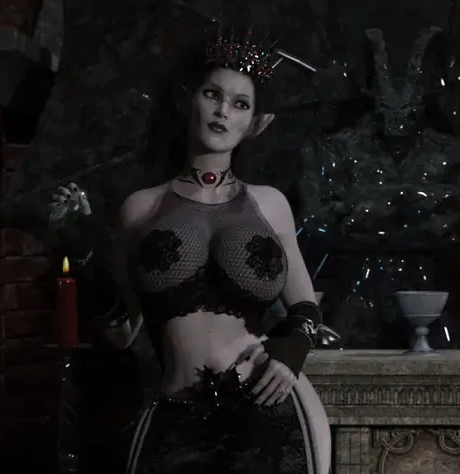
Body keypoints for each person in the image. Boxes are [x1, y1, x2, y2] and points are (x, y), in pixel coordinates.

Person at [49, 26, 336, 474]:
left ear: (257, 124)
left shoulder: (270, 205)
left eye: (240, 104)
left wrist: (292, 352)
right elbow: (124, 332)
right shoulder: (141, 208)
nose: (223, 111)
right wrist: (81, 249)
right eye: (212, 94)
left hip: (271, 411)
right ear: (189, 100)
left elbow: (305, 306)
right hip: (175, 421)